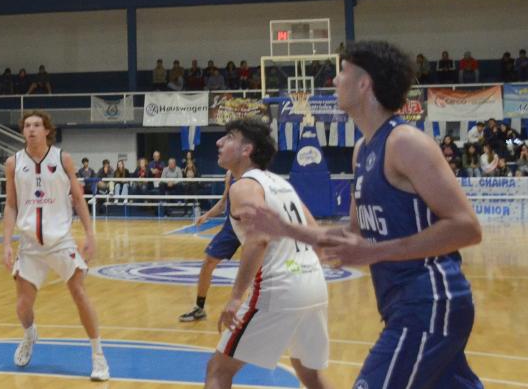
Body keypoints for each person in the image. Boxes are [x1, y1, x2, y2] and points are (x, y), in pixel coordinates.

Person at [241, 41, 483, 388]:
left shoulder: (405, 143)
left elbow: (467, 228)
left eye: (341, 72)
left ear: (364, 83)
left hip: (430, 302)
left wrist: (377, 252)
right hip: (402, 304)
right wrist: (285, 228)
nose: (334, 81)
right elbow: (355, 237)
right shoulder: (362, 150)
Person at [203, 119, 331, 389]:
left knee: (218, 370)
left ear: (246, 149)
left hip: (279, 288)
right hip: (313, 285)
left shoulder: (244, 186)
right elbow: (316, 234)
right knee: (310, 375)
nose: (219, 142)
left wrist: (236, 298)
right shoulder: (279, 183)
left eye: (229, 137)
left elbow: (259, 239)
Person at [2, 110, 109, 381]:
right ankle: (30, 334)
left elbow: (78, 198)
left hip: (61, 241)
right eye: (27, 125)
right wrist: (6, 243)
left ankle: (98, 357)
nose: (32, 129)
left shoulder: (63, 159)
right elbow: (11, 204)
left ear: (47, 130)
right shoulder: (13, 163)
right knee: (23, 306)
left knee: (79, 293)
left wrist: (90, 233)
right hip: (29, 245)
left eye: (37, 125)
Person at [178, 172, 238, 322]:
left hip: (251, 227)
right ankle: (199, 308)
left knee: (260, 269)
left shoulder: (255, 173)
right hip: (231, 227)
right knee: (208, 263)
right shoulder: (230, 174)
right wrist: (206, 215)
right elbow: (223, 202)